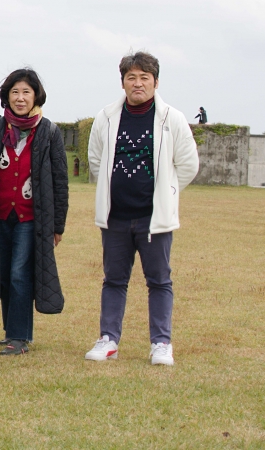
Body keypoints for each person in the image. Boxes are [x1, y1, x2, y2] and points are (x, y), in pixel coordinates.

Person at [85, 51, 199, 366]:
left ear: (155, 82)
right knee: (114, 279)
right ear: (123, 82)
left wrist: (167, 195)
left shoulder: (171, 119)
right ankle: (108, 340)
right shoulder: (107, 117)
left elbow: (188, 165)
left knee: (159, 280)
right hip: (116, 218)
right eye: (131, 77)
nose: (138, 84)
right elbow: (97, 160)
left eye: (144, 78)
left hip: (154, 220)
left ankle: (161, 343)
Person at [0, 68, 68, 355]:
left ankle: (18, 338)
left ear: (35, 96)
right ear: (6, 96)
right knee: (5, 272)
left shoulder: (49, 132)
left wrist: (58, 225)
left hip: (32, 218)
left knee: (20, 272)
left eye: (26, 92)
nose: (20, 98)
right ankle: (15, 332)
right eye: (15, 92)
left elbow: (60, 182)